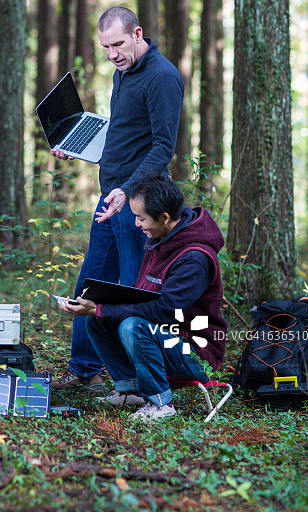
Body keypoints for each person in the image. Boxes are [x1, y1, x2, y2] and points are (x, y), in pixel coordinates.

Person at [51, 6, 184, 393]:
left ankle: (149, 384)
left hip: (137, 204)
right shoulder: (122, 71)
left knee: (131, 291)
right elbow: (124, 131)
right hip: (111, 198)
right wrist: (82, 143)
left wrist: (128, 191)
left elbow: (163, 148)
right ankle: (85, 372)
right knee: (91, 284)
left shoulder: (162, 77)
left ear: (138, 33)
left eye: (119, 44)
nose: (112, 54)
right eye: (105, 47)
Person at [57, 175, 227, 422]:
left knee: (131, 326)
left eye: (141, 218)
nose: (137, 224)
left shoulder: (194, 258)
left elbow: (166, 311)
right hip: (167, 336)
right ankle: (129, 391)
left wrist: (102, 309)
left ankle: (160, 403)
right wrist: (98, 304)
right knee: (97, 321)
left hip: (196, 352)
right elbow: (143, 296)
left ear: (165, 217)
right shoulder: (161, 238)